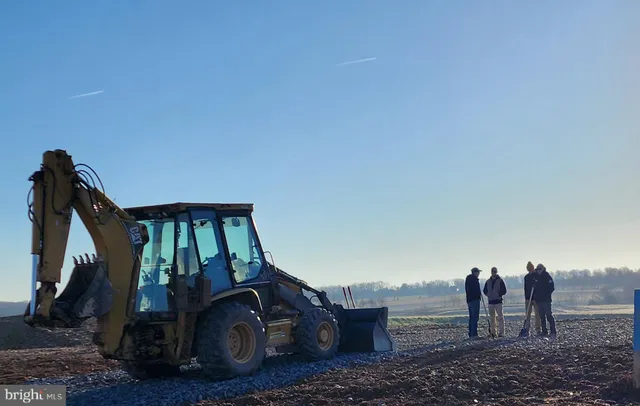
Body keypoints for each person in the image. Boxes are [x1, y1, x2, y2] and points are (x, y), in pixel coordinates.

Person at [533, 263, 556, 336]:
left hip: (546, 300)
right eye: (537, 269)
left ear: (543, 269)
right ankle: (544, 331)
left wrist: (547, 294)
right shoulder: (536, 277)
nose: (539, 271)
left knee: (548, 315)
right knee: (541, 316)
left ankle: (553, 331)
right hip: (539, 300)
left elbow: (551, 287)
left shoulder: (547, 276)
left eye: (540, 269)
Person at [483, 267, 507, 337]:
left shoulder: (500, 281)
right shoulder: (488, 281)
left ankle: (501, 332)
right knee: (492, 318)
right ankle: (493, 332)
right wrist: (488, 295)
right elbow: (484, 290)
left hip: (498, 302)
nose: (494, 273)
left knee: (500, 317)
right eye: (493, 271)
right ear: (491, 272)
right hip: (490, 302)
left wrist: (498, 294)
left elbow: (504, 290)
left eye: (495, 271)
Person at [523, 261, 541, 336]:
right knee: (527, 314)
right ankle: (527, 329)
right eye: (529, 269)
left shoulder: (536, 275)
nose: (530, 270)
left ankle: (538, 329)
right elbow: (525, 288)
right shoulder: (526, 277)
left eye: (531, 268)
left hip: (536, 298)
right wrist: (526, 297)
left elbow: (539, 285)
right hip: (528, 298)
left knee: (537, 314)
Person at [465, 267, 482, 339]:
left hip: (469, 300)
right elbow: (475, 290)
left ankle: (471, 333)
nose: (479, 274)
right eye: (478, 272)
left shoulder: (468, 280)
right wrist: (478, 295)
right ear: (475, 272)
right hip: (474, 300)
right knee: (475, 317)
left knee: (471, 317)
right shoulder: (474, 280)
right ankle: (474, 334)